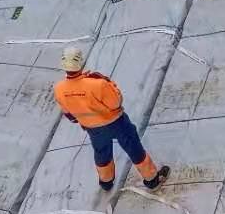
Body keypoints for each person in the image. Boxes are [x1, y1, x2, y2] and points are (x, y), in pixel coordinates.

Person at [53, 46, 170, 192]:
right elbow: (116, 102)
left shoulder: (59, 89)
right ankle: (152, 179)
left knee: (102, 152)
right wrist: (107, 82)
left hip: (92, 129)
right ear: (81, 62)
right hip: (116, 123)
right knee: (133, 147)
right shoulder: (97, 83)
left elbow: (70, 115)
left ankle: (106, 182)